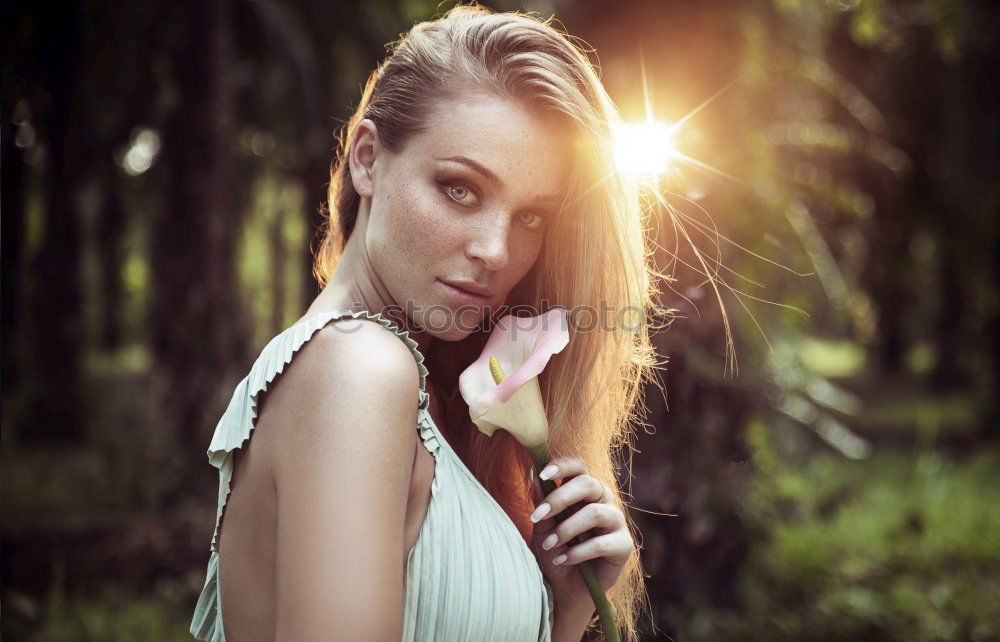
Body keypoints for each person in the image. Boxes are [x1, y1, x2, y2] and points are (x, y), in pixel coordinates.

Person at [190, 4, 661, 641]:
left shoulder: (406, 391)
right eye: (460, 189)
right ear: (366, 160)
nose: (496, 251)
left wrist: (564, 606)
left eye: (530, 218)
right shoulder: (358, 370)